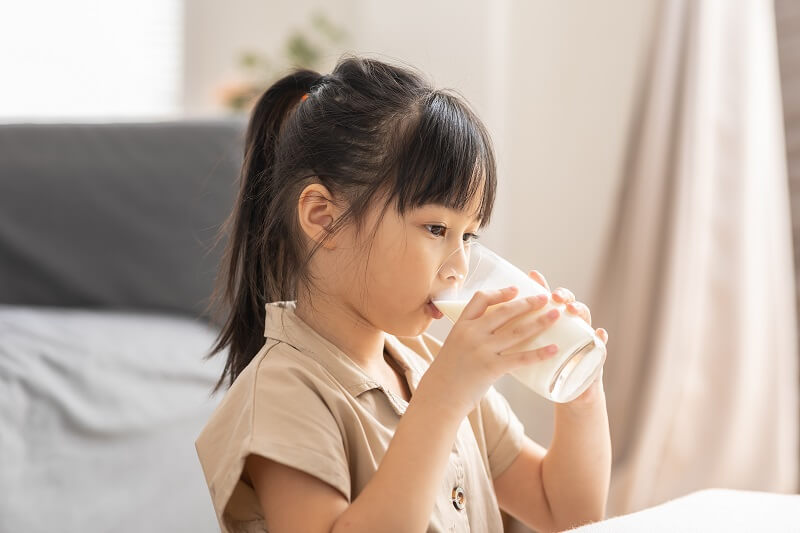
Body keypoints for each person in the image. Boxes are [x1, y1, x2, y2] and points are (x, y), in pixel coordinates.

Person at [195, 53, 611, 533]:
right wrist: (443, 399)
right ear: (323, 219)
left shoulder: (428, 361)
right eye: (436, 228)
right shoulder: (283, 392)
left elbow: (568, 511)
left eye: (469, 236)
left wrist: (581, 396)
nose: (459, 267)